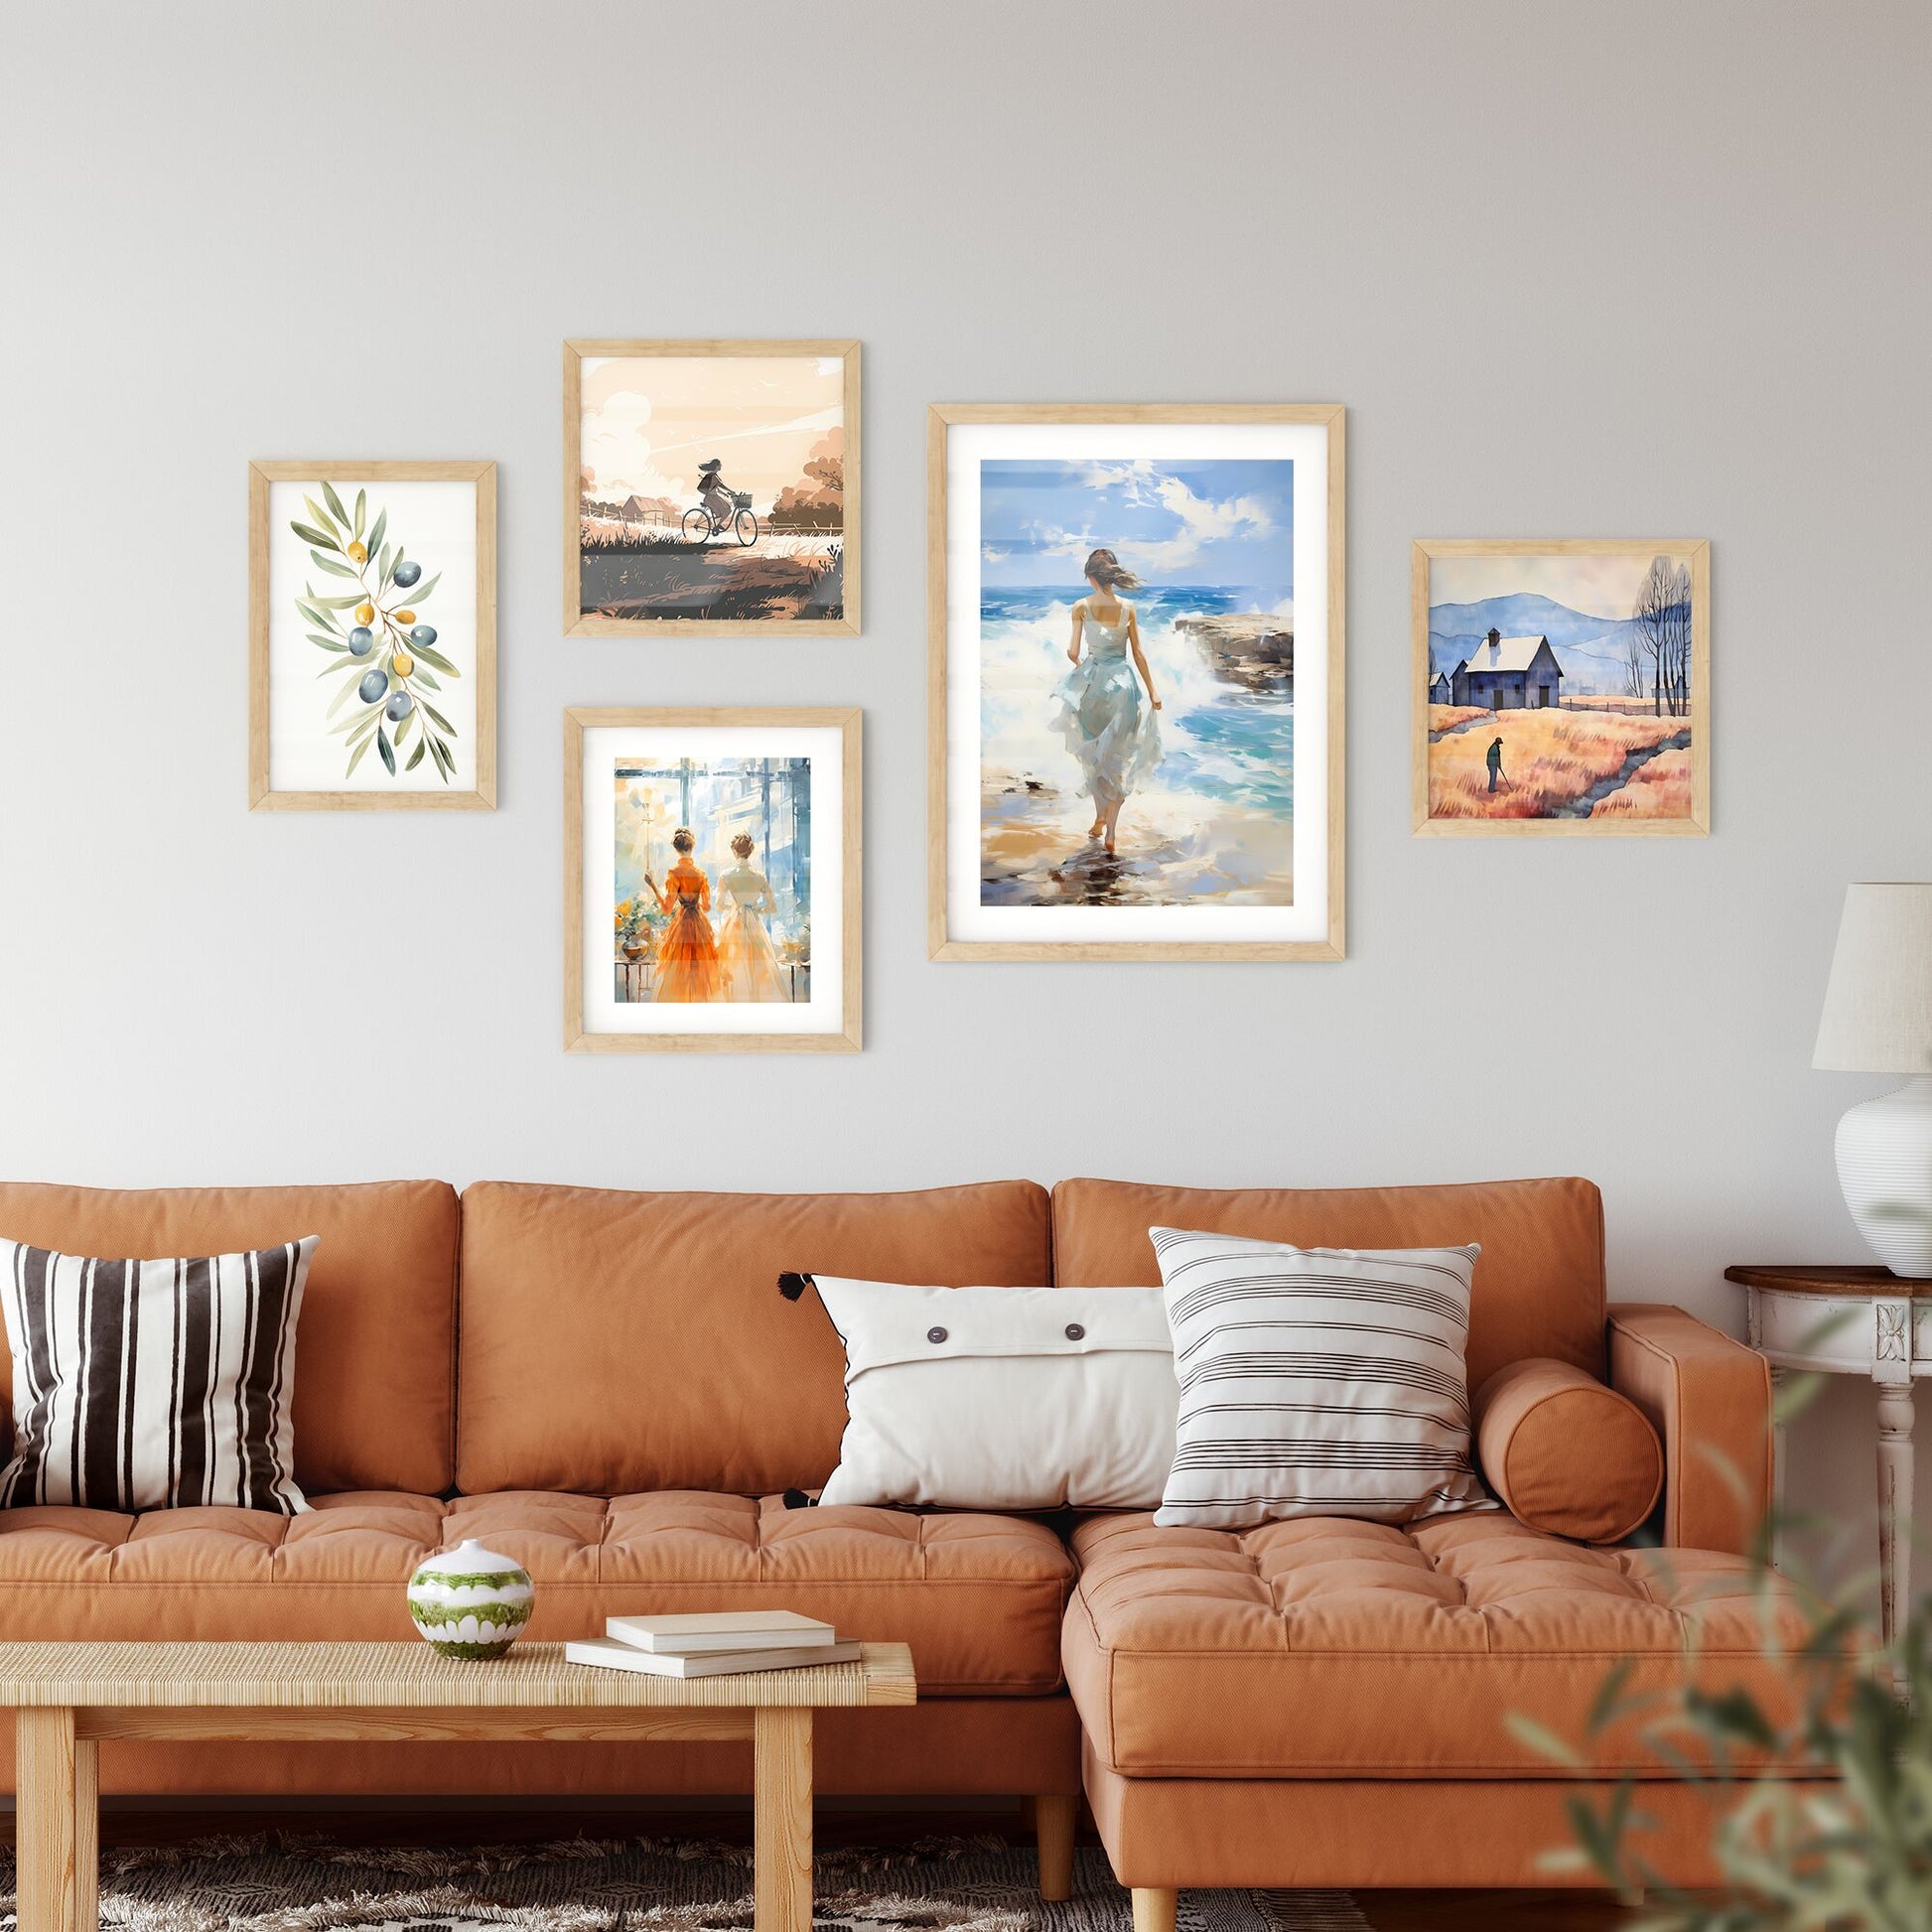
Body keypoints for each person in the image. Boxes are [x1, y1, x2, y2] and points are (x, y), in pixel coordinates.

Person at [1050, 547, 1164, 856]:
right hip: (1124, 687)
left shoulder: (1081, 607)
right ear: (1111, 575)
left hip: (1093, 686)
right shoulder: (1128, 607)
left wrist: (1086, 668)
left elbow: (1073, 652)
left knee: (1094, 755)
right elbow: (1138, 654)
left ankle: (1099, 816)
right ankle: (1110, 829)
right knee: (1119, 759)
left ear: (1090, 575)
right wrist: (1152, 691)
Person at [643, 828, 721, 1002]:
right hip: (699, 924)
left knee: (679, 971)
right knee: (699, 971)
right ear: (692, 847)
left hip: (682, 924)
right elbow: (707, 907)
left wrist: (653, 885)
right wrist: (695, 901)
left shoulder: (674, 873)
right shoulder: (701, 874)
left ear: (676, 849)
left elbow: (666, 908)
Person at [715, 834, 787, 1002]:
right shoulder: (759, 876)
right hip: (754, 923)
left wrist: (734, 907)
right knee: (757, 964)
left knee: (733, 964)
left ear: (734, 851)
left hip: (734, 922)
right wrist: (755, 909)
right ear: (751, 851)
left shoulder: (726, 875)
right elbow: (771, 906)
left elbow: (718, 905)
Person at [696, 459, 735, 530]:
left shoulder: (714, 475)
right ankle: (716, 526)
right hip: (710, 498)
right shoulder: (713, 476)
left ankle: (717, 525)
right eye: (720, 465)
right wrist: (731, 491)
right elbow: (721, 486)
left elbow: (715, 488)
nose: (721, 466)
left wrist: (724, 493)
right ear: (716, 466)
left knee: (727, 510)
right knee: (721, 511)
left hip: (714, 497)